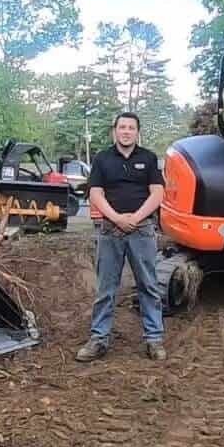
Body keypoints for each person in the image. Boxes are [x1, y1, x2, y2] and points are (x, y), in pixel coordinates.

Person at [76, 112, 167, 362]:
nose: (126, 131)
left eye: (131, 128)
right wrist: (117, 218)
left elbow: (157, 194)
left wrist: (135, 218)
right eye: (122, 127)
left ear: (138, 132)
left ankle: (154, 339)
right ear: (114, 131)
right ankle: (98, 339)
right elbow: (95, 194)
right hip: (110, 231)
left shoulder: (148, 159)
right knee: (106, 288)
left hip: (143, 231)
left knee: (148, 285)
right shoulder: (103, 159)